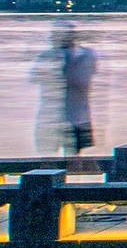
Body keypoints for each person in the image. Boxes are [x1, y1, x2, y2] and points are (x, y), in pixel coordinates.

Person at [31, 20, 98, 156]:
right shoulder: (50, 56)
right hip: (54, 117)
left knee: (72, 159)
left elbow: (79, 80)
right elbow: (36, 76)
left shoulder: (85, 56)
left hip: (76, 117)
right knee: (49, 159)